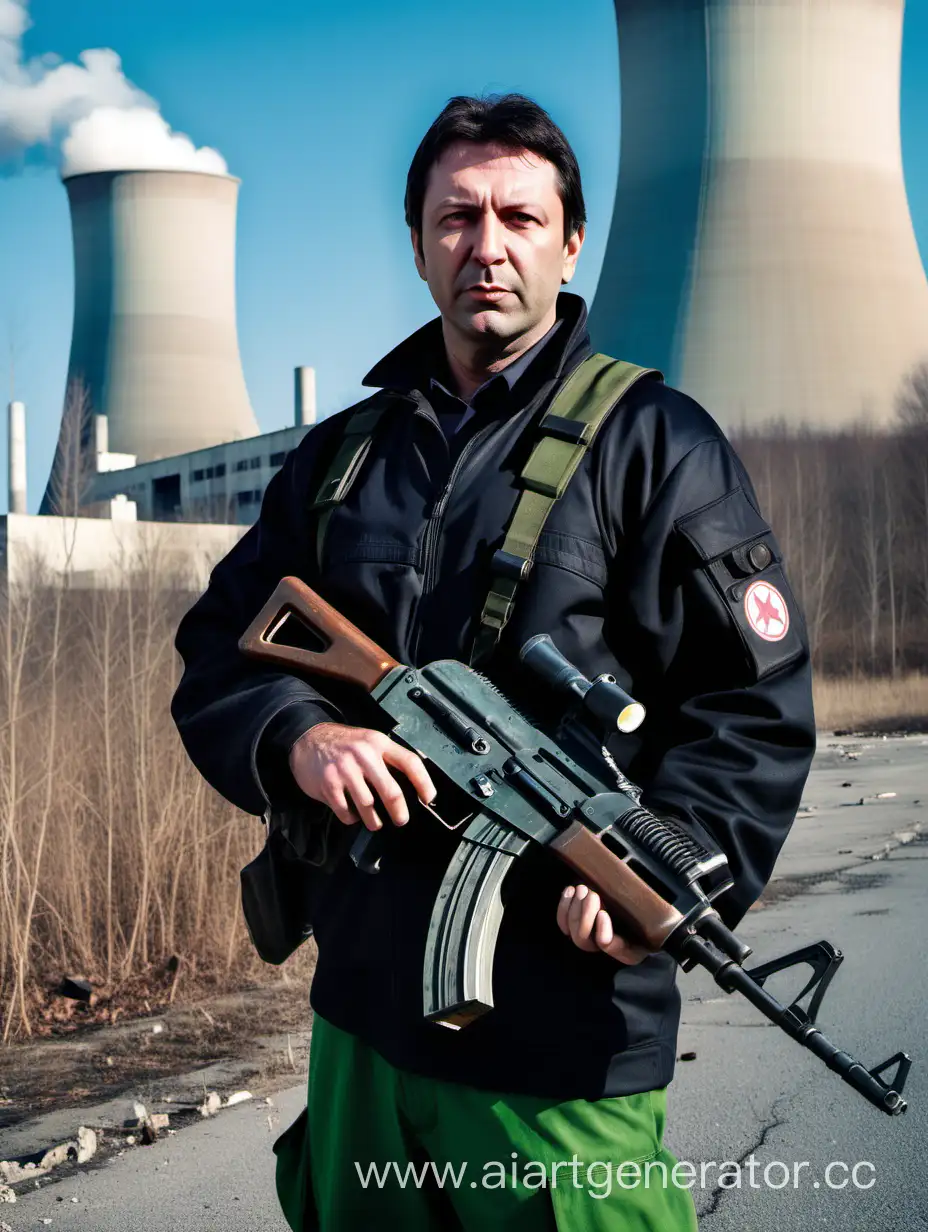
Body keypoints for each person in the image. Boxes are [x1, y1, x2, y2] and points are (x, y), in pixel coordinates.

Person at [171, 93, 816, 1231]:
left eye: (519, 217)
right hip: (364, 1014)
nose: (487, 246)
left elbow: (751, 706)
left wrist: (669, 869)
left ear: (570, 243)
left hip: (562, 1040)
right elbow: (223, 650)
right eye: (457, 217)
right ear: (417, 242)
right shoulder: (340, 458)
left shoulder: (655, 446)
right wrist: (299, 737)